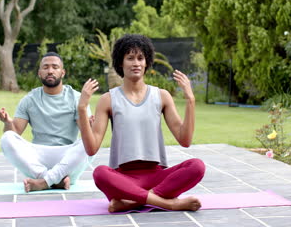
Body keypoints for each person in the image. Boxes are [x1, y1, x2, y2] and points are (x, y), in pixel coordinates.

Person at [77, 34, 205, 212]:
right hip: (124, 178)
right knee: (100, 173)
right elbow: (92, 149)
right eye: (130, 58)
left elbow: (185, 140)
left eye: (140, 58)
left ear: (147, 62)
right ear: (120, 63)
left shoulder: (161, 96)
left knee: (197, 166)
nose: (136, 63)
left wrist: (190, 100)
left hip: (156, 175)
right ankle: (166, 203)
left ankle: (132, 202)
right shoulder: (108, 100)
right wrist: (82, 109)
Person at [0, 52, 92, 192]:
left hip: (67, 157)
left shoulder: (77, 98)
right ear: (39, 73)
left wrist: (90, 125)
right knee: (6, 138)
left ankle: (43, 182)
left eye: (55, 67)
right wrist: (6, 122)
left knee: (92, 141)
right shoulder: (30, 99)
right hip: (38, 158)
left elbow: (87, 134)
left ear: (63, 72)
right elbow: (14, 133)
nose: (50, 71)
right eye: (46, 67)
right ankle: (53, 180)